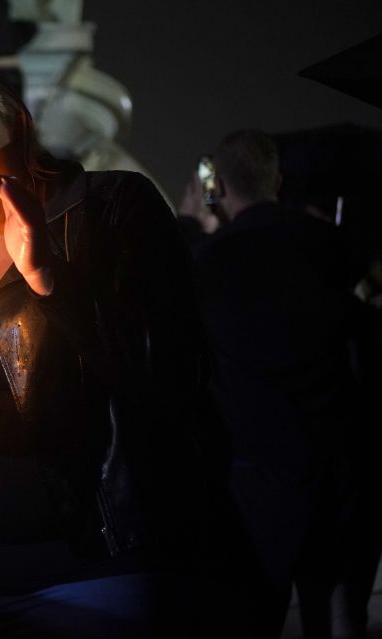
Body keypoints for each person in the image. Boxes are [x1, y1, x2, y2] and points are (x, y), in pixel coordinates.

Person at [0, 57, 208, 638]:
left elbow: (165, 373)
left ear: (20, 129)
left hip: (98, 570)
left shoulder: (108, 209)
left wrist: (47, 277)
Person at [192, 130, 375, 638]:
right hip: (333, 469)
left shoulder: (208, 262)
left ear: (220, 187)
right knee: (329, 616)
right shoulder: (331, 247)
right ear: (277, 180)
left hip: (253, 480)